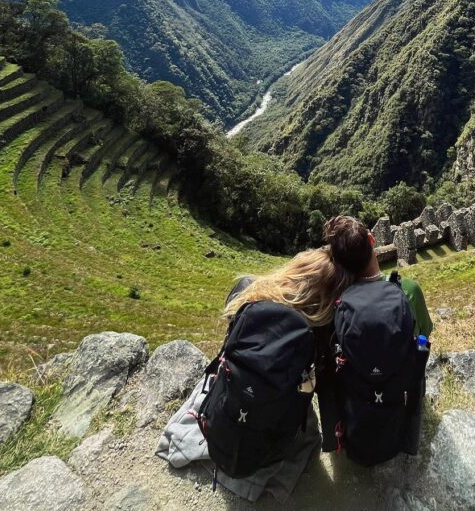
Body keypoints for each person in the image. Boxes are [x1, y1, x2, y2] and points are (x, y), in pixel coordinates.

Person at [157, 248, 351, 503]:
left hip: (224, 418)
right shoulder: (318, 329)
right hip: (270, 441)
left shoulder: (248, 290)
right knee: (306, 431)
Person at [317, 215, 432, 465]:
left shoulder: (336, 301)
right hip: (396, 405)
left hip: (355, 416)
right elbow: (425, 331)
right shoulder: (408, 290)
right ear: (372, 240)